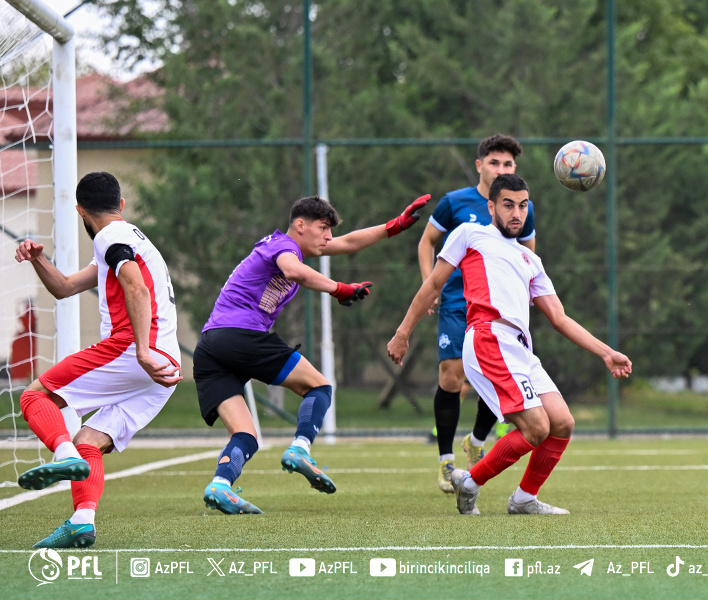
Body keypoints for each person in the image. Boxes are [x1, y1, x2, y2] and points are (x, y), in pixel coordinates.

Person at [389, 174, 631, 515]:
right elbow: (432, 285)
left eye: (522, 206)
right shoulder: (470, 235)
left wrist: (606, 352)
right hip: (488, 337)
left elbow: (559, 318)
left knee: (562, 423)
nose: (516, 213)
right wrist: (403, 332)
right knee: (536, 427)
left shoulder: (531, 261)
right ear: (491, 206)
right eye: (508, 205)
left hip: (520, 348)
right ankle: (469, 482)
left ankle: (523, 499)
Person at [197, 192, 430, 515]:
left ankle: (220, 485)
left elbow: (348, 243)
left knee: (246, 435)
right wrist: (339, 288)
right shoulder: (283, 247)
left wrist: (394, 226)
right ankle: (300, 449)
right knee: (319, 387)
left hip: (210, 346)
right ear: (300, 225)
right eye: (323, 228)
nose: (328, 236)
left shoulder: (290, 245)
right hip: (241, 334)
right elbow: (294, 272)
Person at [14, 171, 182, 547]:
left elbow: (135, 286)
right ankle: (81, 521)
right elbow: (66, 288)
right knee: (89, 440)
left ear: (80, 211)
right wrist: (38, 260)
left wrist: (140, 350)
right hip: (166, 365)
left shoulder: (109, 236)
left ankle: (62, 453)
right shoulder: (129, 236)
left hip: (135, 351)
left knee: (35, 397)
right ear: (121, 205)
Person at [417, 134, 535, 493]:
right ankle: (445, 462)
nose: (501, 168)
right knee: (451, 377)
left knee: (494, 379)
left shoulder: (519, 206)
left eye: (508, 164)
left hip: (499, 309)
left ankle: (477, 439)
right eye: (494, 162)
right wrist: (429, 286)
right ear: (479, 165)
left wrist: (528, 295)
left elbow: (529, 256)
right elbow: (427, 242)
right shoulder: (455, 203)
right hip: (456, 300)